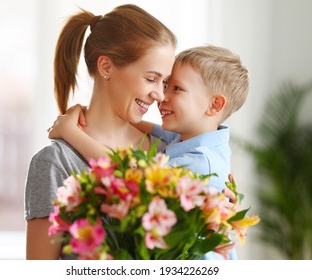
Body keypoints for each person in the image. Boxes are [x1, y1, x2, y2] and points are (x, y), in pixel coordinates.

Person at [48, 45, 248, 259]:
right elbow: (150, 127)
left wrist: (71, 132)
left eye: (177, 88)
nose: (162, 96)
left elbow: (130, 175)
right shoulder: (195, 136)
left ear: (214, 104)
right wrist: (92, 113)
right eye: (165, 84)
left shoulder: (200, 161)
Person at [25, 4, 177, 260]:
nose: (160, 95)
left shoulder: (167, 150)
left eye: (165, 82)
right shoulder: (55, 163)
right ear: (106, 67)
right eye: (151, 79)